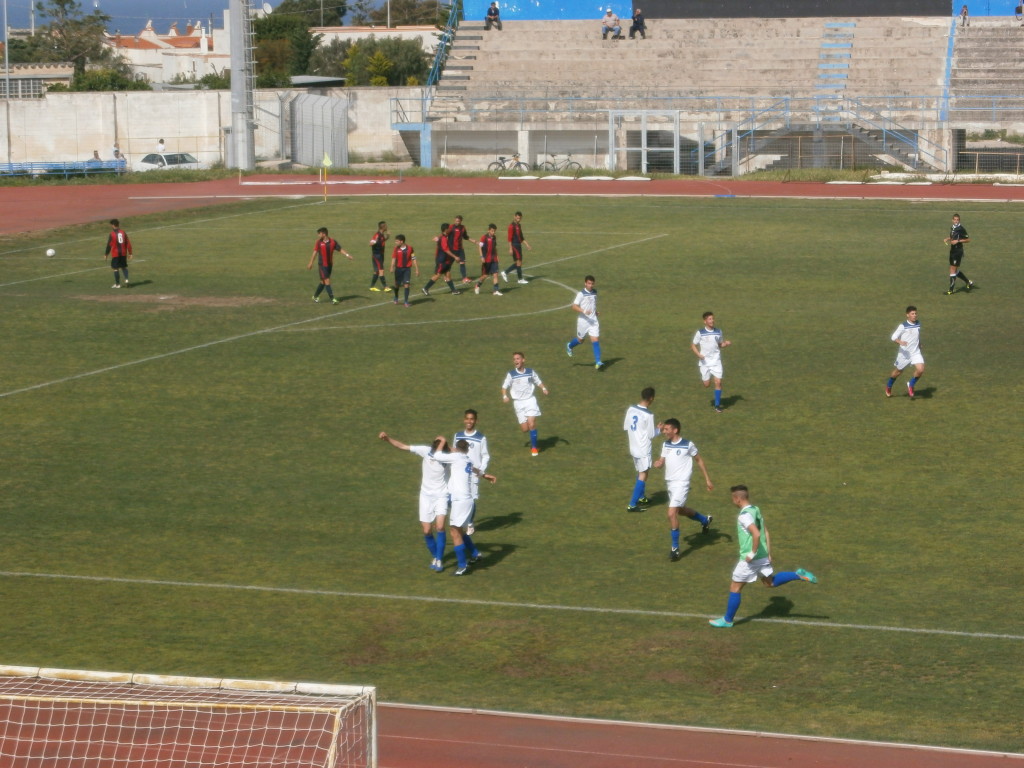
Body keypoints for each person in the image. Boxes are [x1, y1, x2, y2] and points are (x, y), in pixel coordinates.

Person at [709, 484, 818, 628]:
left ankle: (727, 620)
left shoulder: (744, 516)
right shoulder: (756, 510)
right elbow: (766, 532)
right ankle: (798, 574)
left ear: (737, 499)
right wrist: (768, 552)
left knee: (735, 587)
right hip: (762, 556)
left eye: (732, 498)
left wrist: (752, 553)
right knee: (769, 582)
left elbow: (757, 533)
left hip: (751, 559)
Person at [378, 432, 452, 572]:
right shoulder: (425, 451)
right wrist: (387, 439)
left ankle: (440, 560)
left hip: (441, 495)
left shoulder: (448, 458)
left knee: (440, 527)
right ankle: (436, 556)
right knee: (427, 530)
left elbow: (462, 457)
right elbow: (403, 446)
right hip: (426, 496)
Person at [428, 438, 497, 575]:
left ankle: (462, 565)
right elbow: (475, 469)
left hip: (460, 501)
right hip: (467, 501)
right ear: (467, 449)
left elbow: (436, 455)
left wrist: (442, 441)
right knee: (459, 531)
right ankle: (475, 554)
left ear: (456, 448)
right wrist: (485, 475)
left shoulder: (455, 458)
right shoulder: (467, 459)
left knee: (454, 532)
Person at [653, 418, 713, 561]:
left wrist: (707, 479)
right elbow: (662, 461)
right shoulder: (665, 444)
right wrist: (659, 463)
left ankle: (675, 549)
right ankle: (704, 520)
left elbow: (699, 460)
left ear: (675, 430)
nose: (664, 432)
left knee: (671, 513)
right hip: (670, 483)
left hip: (682, 483)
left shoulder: (688, 445)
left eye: (667, 429)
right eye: (664, 429)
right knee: (680, 510)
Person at [501, 352, 549, 457]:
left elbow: (538, 381)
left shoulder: (530, 372)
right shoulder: (511, 374)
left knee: (531, 424)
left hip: (530, 401)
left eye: (518, 359)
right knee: (525, 429)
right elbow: (504, 387)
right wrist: (505, 396)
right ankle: (533, 440)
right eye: (514, 359)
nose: (516, 361)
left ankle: (534, 448)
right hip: (518, 403)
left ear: (523, 360)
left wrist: (544, 388)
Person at [624, 387, 660, 512]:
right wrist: (659, 429)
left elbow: (626, 426)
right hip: (643, 448)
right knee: (643, 474)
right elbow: (651, 435)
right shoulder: (648, 415)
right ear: (651, 398)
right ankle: (632, 504)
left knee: (642, 471)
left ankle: (641, 497)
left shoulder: (631, 409)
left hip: (633, 446)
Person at [455, 409, 490, 536]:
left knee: (472, 498)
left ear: (476, 421)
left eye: (472, 419)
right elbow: (454, 452)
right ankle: (460, 520)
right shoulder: (458, 436)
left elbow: (485, 456)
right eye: (467, 419)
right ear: (464, 420)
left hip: (474, 474)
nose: (469, 421)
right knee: (459, 497)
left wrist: (481, 470)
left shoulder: (481, 438)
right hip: (460, 473)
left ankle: (469, 523)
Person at [690, 311, 732, 413]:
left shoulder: (718, 331)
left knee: (718, 382)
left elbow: (720, 344)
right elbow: (693, 345)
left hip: (716, 361)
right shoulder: (700, 333)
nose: (712, 320)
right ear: (705, 321)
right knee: (706, 384)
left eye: (712, 318)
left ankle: (717, 406)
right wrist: (699, 355)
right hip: (705, 362)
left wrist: (725, 344)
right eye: (709, 319)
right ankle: (706, 379)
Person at [885, 305, 925, 399]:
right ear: (907, 315)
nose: (915, 315)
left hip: (915, 352)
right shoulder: (903, 326)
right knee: (898, 371)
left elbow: (916, 336)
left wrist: (919, 344)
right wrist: (900, 342)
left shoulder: (918, 324)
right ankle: (889, 386)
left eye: (915, 313)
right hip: (904, 354)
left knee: (921, 369)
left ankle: (911, 385)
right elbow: (893, 337)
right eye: (912, 314)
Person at [565, 275, 603, 369]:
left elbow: (592, 304)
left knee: (595, 340)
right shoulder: (581, 294)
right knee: (580, 340)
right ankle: (570, 345)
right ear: (585, 283)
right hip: (583, 321)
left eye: (592, 283)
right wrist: (584, 311)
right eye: (589, 283)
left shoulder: (595, 292)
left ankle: (598, 361)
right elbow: (574, 306)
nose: (590, 285)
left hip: (593, 320)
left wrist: (595, 312)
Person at [307, 226, 352, 304]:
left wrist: (347, 255)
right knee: (327, 281)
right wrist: (311, 262)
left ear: (324, 234)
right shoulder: (318, 242)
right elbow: (315, 252)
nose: (318, 235)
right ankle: (332, 299)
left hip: (329, 265)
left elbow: (340, 249)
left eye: (319, 234)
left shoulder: (333, 242)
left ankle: (315, 296)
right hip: (322, 265)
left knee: (323, 282)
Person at [422, 222, 462, 296]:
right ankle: (425, 288)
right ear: (446, 229)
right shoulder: (443, 238)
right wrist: (455, 257)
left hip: (446, 260)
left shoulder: (445, 236)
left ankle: (453, 290)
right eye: (449, 228)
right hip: (442, 260)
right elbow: (446, 250)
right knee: (438, 275)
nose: (450, 229)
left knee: (448, 274)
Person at [943, 213, 974, 295]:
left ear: (959, 220)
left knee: (952, 269)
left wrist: (958, 241)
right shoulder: (953, 227)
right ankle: (968, 282)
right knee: (954, 269)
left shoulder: (961, 228)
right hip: (952, 250)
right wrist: (948, 238)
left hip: (958, 251)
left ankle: (951, 290)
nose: (956, 221)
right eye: (955, 219)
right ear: (952, 220)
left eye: (957, 220)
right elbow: (954, 237)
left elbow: (968, 239)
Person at [501, 211, 531, 284]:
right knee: (518, 262)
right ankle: (518, 278)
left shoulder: (519, 225)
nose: (518, 219)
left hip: (518, 245)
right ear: (514, 216)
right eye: (517, 218)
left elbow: (521, 237)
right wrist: (510, 248)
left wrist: (527, 244)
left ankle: (507, 273)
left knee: (519, 263)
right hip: (514, 245)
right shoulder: (511, 226)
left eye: (520, 218)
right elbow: (509, 238)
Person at [390, 234, 419, 307]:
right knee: (397, 285)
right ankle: (396, 297)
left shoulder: (410, 248)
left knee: (406, 285)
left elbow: (413, 258)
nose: (395, 242)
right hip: (398, 269)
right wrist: (392, 267)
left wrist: (416, 269)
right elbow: (394, 258)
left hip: (407, 269)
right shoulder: (396, 249)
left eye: (397, 241)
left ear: (401, 241)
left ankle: (406, 302)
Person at [475, 223, 503, 296]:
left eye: (494, 231)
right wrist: (481, 257)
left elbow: (494, 247)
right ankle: (477, 285)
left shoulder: (494, 238)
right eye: (492, 231)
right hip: (486, 260)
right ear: (489, 230)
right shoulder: (484, 238)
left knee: (495, 274)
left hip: (494, 259)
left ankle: (496, 290)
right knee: (485, 276)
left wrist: (497, 256)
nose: (493, 232)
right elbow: (480, 247)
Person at [104, 218, 133, 288]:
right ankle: (126, 280)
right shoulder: (123, 232)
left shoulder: (112, 234)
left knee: (115, 268)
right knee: (124, 267)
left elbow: (109, 245)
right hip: (123, 253)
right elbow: (128, 243)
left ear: (113, 225)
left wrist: (106, 254)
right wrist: (130, 253)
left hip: (116, 254)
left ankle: (117, 284)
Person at [369, 220, 390, 292]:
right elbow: (371, 243)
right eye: (386, 226)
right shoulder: (377, 235)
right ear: (383, 227)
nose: (387, 227)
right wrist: (374, 241)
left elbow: (384, 240)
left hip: (380, 255)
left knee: (377, 272)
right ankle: (385, 287)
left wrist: (388, 235)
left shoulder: (381, 235)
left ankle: (372, 287)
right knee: (381, 271)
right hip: (377, 255)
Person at [450, 214, 472, 283]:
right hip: (452, 249)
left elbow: (465, 236)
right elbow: (444, 234)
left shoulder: (463, 228)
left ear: (461, 221)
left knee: (462, 262)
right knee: (448, 264)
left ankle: (464, 278)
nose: (457, 222)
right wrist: (438, 238)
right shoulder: (451, 227)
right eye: (456, 221)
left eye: (458, 221)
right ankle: (446, 276)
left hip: (460, 249)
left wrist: (473, 240)